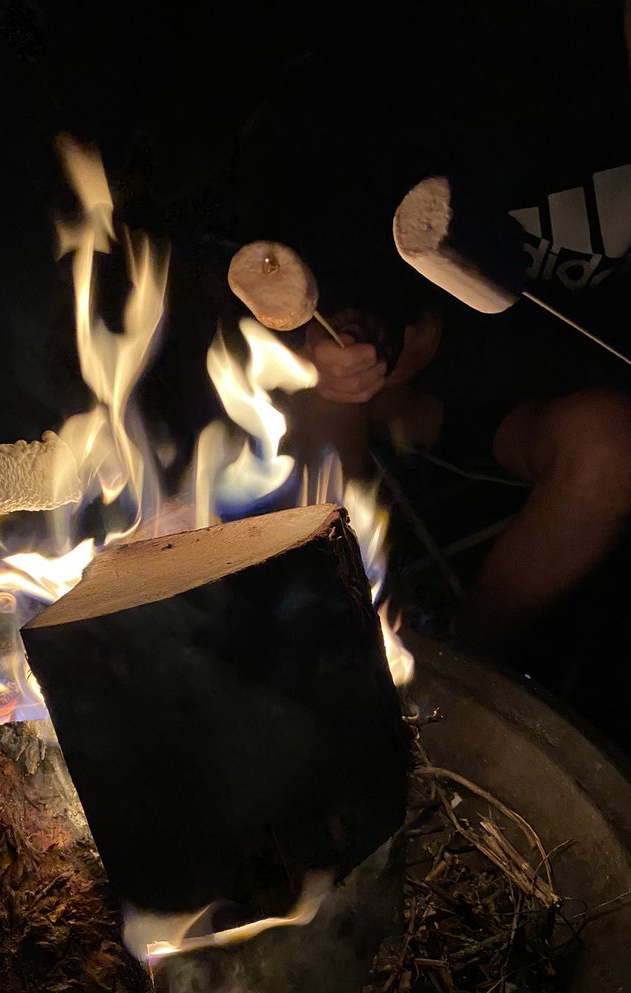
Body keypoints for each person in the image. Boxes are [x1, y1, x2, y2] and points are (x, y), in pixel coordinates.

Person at [233, 0, 631, 650]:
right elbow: (345, 196)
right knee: (333, 372)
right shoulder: (506, 53)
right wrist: (366, 321)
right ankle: (326, 643)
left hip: (543, 390)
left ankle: (466, 677)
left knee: (613, 450)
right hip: (404, 357)